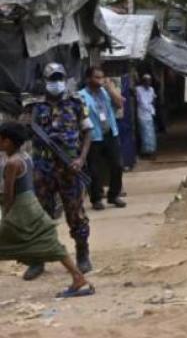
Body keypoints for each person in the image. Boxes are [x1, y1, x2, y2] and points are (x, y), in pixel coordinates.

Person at [0, 122, 95, 298]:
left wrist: (6, 215)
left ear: (8, 142)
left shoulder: (12, 163)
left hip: (21, 208)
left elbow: (8, 194)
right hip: (32, 204)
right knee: (50, 243)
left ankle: (78, 277)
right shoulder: (25, 157)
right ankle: (77, 277)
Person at [20, 63, 94, 281]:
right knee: (41, 215)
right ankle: (37, 260)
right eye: (53, 78)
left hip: (69, 166)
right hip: (43, 167)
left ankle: (82, 254)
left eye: (60, 77)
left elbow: (88, 131)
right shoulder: (33, 107)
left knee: (75, 213)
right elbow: (21, 133)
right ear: (45, 81)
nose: (56, 82)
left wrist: (81, 158)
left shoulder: (75, 103)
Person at [79, 66, 127, 210]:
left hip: (110, 133)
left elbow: (119, 104)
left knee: (117, 165)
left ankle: (114, 195)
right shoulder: (81, 96)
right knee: (94, 169)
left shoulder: (106, 92)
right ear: (88, 79)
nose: (100, 81)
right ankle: (97, 198)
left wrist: (110, 89)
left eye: (102, 77)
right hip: (93, 137)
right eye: (97, 78)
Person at [135, 74, 157, 157]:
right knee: (144, 133)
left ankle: (151, 150)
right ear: (143, 81)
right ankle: (145, 152)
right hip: (142, 114)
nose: (148, 82)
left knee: (151, 132)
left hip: (150, 113)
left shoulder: (151, 89)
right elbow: (140, 101)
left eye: (149, 81)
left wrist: (152, 110)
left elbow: (153, 99)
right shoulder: (138, 89)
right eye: (146, 81)